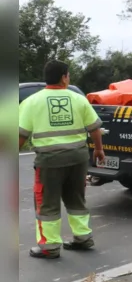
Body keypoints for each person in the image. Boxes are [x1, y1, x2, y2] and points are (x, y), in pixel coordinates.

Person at [18, 60, 105, 259]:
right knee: (76, 198)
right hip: (78, 158)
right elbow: (94, 128)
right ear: (64, 77)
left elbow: (20, 136)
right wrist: (98, 150)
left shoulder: (31, 102)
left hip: (49, 161)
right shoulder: (78, 99)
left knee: (47, 203)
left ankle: (49, 246)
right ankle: (83, 238)